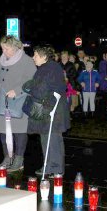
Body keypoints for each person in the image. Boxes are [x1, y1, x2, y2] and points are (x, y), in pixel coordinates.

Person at [0, 36, 36, 172]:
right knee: (3, 130)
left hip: (18, 101)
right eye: (2, 48)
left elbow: (32, 81)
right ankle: (7, 158)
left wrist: (18, 90)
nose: (3, 51)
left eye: (6, 48)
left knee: (19, 131)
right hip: (1, 102)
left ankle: (19, 161)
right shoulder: (1, 60)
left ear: (14, 48)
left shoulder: (26, 61)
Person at [22, 45, 70, 176]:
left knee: (52, 139)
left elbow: (41, 90)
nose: (33, 58)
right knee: (48, 138)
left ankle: (54, 168)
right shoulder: (50, 67)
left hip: (51, 110)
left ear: (43, 57)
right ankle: (50, 167)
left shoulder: (48, 69)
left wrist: (29, 88)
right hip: (50, 109)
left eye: (36, 55)